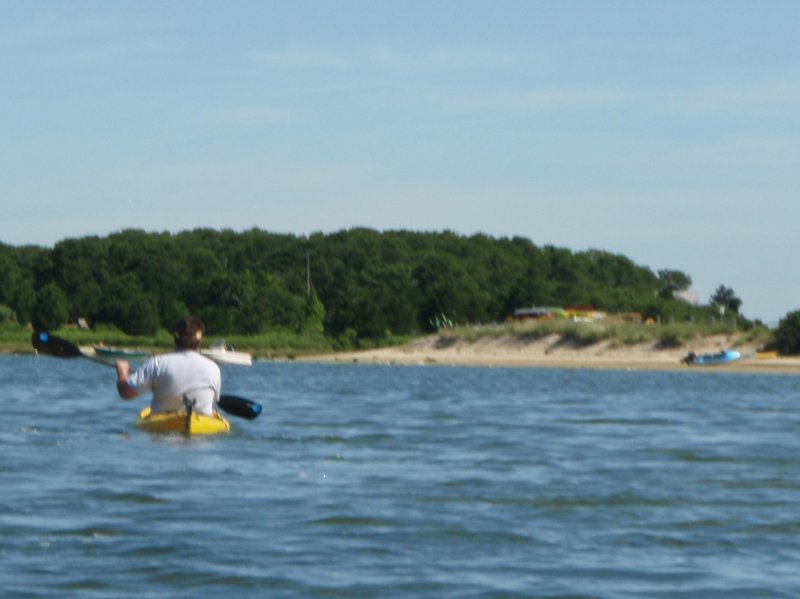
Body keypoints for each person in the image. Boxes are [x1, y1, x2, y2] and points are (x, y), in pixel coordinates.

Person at [115, 316, 221, 416]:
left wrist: (122, 373)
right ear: (200, 340)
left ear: (175, 338)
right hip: (201, 428)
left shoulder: (157, 363)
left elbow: (125, 393)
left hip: (164, 426)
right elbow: (216, 399)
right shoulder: (213, 367)